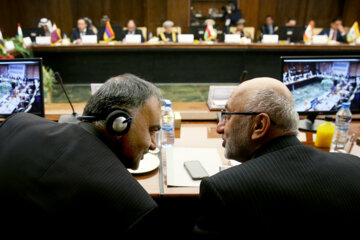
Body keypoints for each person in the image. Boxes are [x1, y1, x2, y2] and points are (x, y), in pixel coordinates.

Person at [195, 77, 360, 238]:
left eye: (228, 116)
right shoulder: (355, 167)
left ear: (259, 126)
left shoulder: (222, 189)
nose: (219, 127)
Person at [0, 74, 162, 236]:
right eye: (152, 130)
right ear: (119, 123)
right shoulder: (134, 207)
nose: (153, 144)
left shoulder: (17, 122)